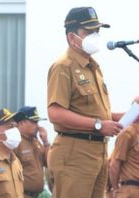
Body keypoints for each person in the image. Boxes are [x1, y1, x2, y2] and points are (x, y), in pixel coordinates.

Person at [47, 6, 123, 198]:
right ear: (72, 37)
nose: (95, 35)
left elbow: (89, 110)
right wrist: (98, 125)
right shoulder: (63, 67)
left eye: (96, 31)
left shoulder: (93, 68)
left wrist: (117, 118)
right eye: (88, 31)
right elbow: (55, 113)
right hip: (74, 154)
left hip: (97, 152)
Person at [109, 94, 139, 198]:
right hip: (132, 190)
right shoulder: (128, 133)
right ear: (138, 111)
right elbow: (114, 163)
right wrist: (116, 189)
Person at [13, 106, 50, 198]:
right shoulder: (15, 142)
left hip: (37, 195)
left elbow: (48, 163)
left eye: (37, 122)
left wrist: (46, 142)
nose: (37, 126)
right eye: (34, 122)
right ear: (21, 123)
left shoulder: (36, 141)